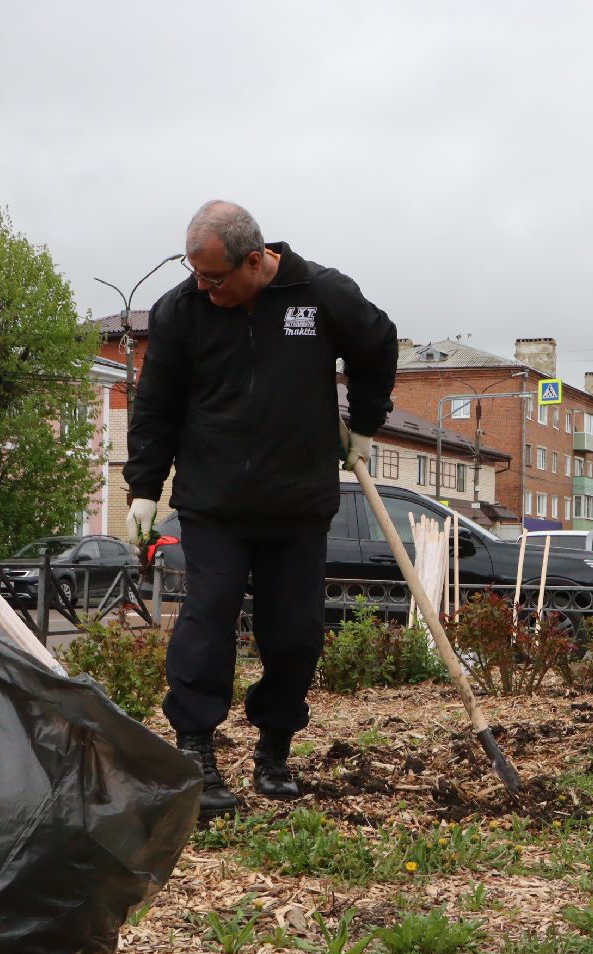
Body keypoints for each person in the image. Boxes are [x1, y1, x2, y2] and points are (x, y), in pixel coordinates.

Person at [124, 200, 397, 816]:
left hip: (297, 503)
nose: (203, 287)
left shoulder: (321, 295)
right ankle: (196, 749)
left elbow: (377, 344)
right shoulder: (180, 311)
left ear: (255, 261)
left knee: (295, 632)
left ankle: (275, 746)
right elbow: (156, 404)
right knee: (208, 618)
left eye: (214, 276)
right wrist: (144, 486)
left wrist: (365, 424)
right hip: (213, 501)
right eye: (195, 273)